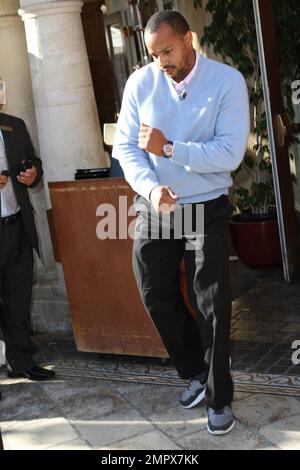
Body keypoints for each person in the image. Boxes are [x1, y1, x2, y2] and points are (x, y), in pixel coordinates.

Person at [113, 10, 250, 436]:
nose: (161, 63)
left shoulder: (227, 82)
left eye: (168, 51)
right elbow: (126, 147)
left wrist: (171, 149)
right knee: (155, 294)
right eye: (155, 55)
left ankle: (218, 397)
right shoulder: (141, 83)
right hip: (157, 205)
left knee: (210, 301)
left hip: (205, 203)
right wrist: (152, 188)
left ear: (189, 39)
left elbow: (229, 154)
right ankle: (195, 370)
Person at [0, 79, 55, 381]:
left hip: (18, 226)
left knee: (18, 297)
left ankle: (19, 360)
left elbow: (33, 161)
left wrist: (33, 173)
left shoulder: (14, 125)